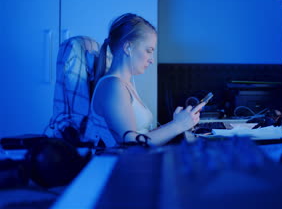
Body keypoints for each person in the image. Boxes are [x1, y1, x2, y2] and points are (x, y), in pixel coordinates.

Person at [84, 13, 205, 147]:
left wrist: (179, 123)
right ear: (127, 48)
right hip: (122, 165)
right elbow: (130, 143)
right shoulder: (112, 85)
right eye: (148, 50)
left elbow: (142, 135)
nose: (152, 59)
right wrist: (178, 125)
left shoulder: (125, 84)